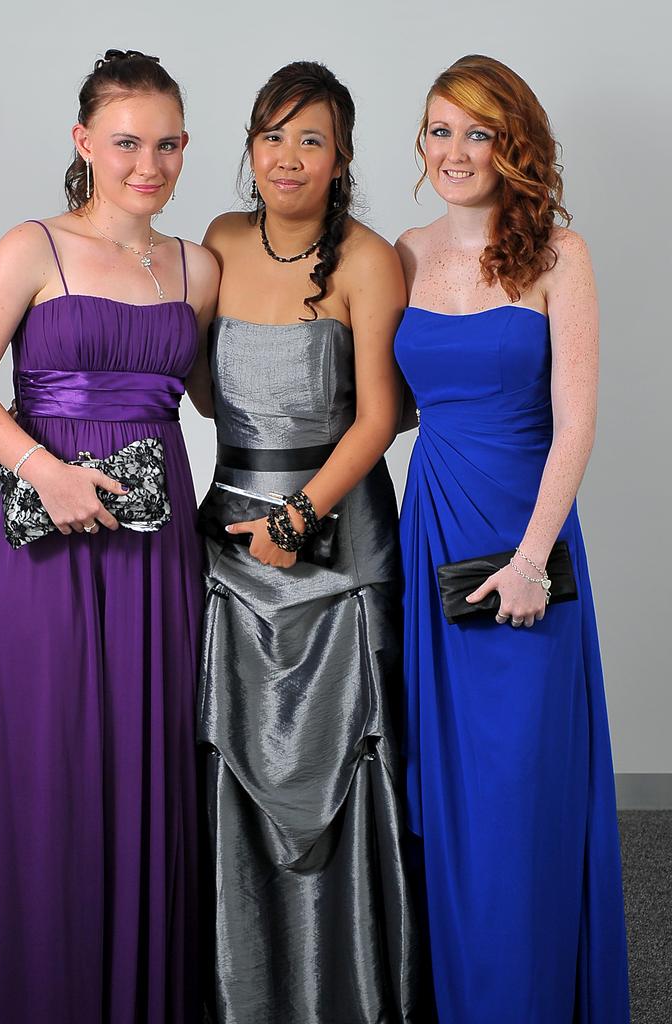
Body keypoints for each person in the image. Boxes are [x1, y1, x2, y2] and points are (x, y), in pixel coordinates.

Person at [0, 49, 219, 1023]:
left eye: (169, 142)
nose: (152, 163)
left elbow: (230, 400)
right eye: (130, 141)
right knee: (54, 773)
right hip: (49, 550)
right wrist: (42, 470)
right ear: (85, 142)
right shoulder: (33, 248)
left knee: (156, 769)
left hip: (159, 551)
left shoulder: (200, 266)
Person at [394, 54, 630, 1023]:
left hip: (526, 535)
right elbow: (387, 408)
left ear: (513, 144)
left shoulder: (559, 255)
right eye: (441, 129)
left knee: (520, 792)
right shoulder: (399, 252)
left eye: (478, 132)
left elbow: (575, 421)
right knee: (446, 795)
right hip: (431, 529)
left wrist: (533, 557)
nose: (456, 151)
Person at [197, 61, 420, 1024]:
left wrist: (298, 515)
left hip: (336, 544)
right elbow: (202, 386)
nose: (288, 157)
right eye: (273, 135)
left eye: (311, 139)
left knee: (349, 766)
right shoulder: (217, 240)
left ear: (343, 158)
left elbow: (379, 419)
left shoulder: (370, 258)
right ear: (249, 148)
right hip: (230, 542)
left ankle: (358, 993)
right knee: (232, 762)